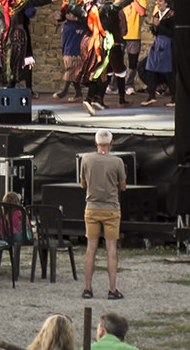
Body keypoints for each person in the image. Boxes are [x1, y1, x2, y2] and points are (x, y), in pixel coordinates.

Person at [80, 128, 126, 300]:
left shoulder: (86, 159)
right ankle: (112, 289)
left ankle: (88, 289)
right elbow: (123, 186)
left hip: (92, 207)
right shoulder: (117, 162)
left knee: (91, 248)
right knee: (111, 249)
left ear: (96, 143)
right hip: (111, 208)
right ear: (111, 143)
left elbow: (83, 184)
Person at [0, 0, 51, 90]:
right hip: (21, 28)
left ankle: (10, 85)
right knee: (27, 57)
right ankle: (29, 88)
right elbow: (30, 12)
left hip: (7, 30)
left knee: (9, 56)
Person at [112, 0, 147, 104]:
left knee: (133, 62)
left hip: (133, 34)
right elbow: (113, 9)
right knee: (117, 60)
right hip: (120, 34)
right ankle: (114, 85)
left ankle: (129, 85)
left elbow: (142, 12)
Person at [142, 0, 177, 105]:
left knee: (168, 72)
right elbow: (156, 32)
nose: (158, 3)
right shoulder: (157, 15)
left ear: (166, 3)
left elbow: (171, 33)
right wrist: (154, 27)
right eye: (157, 1)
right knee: (150, 68)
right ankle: (151, 95)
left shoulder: (171, 16)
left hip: (168, 45)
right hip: (158, 44)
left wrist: (159, 26)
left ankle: (174, 97)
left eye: (160, 1)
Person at [55, 0, 89, 100]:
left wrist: (77, 19)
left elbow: (87, 15)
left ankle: (64, 89)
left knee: (72, 58)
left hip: (78, 30)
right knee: (68, 57)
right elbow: (65, 14)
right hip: (68, 29)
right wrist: (60, 17)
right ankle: (78, 92)